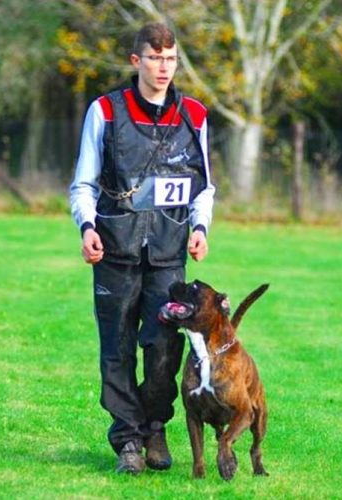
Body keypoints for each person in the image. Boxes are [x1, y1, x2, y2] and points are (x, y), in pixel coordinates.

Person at [69, 22, 215, 475]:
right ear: (137, 62)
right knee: (117, 348)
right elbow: (83, 183)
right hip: (114, 250)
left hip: (168, 254)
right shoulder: (106, 111)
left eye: (170, 59)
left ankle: (154, 425)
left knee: (163, 350)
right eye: (155, 58)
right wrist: (87, 226)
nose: (163, 68)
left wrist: (201, 227)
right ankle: (128, 439)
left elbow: (203, 187)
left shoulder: (194, 115)